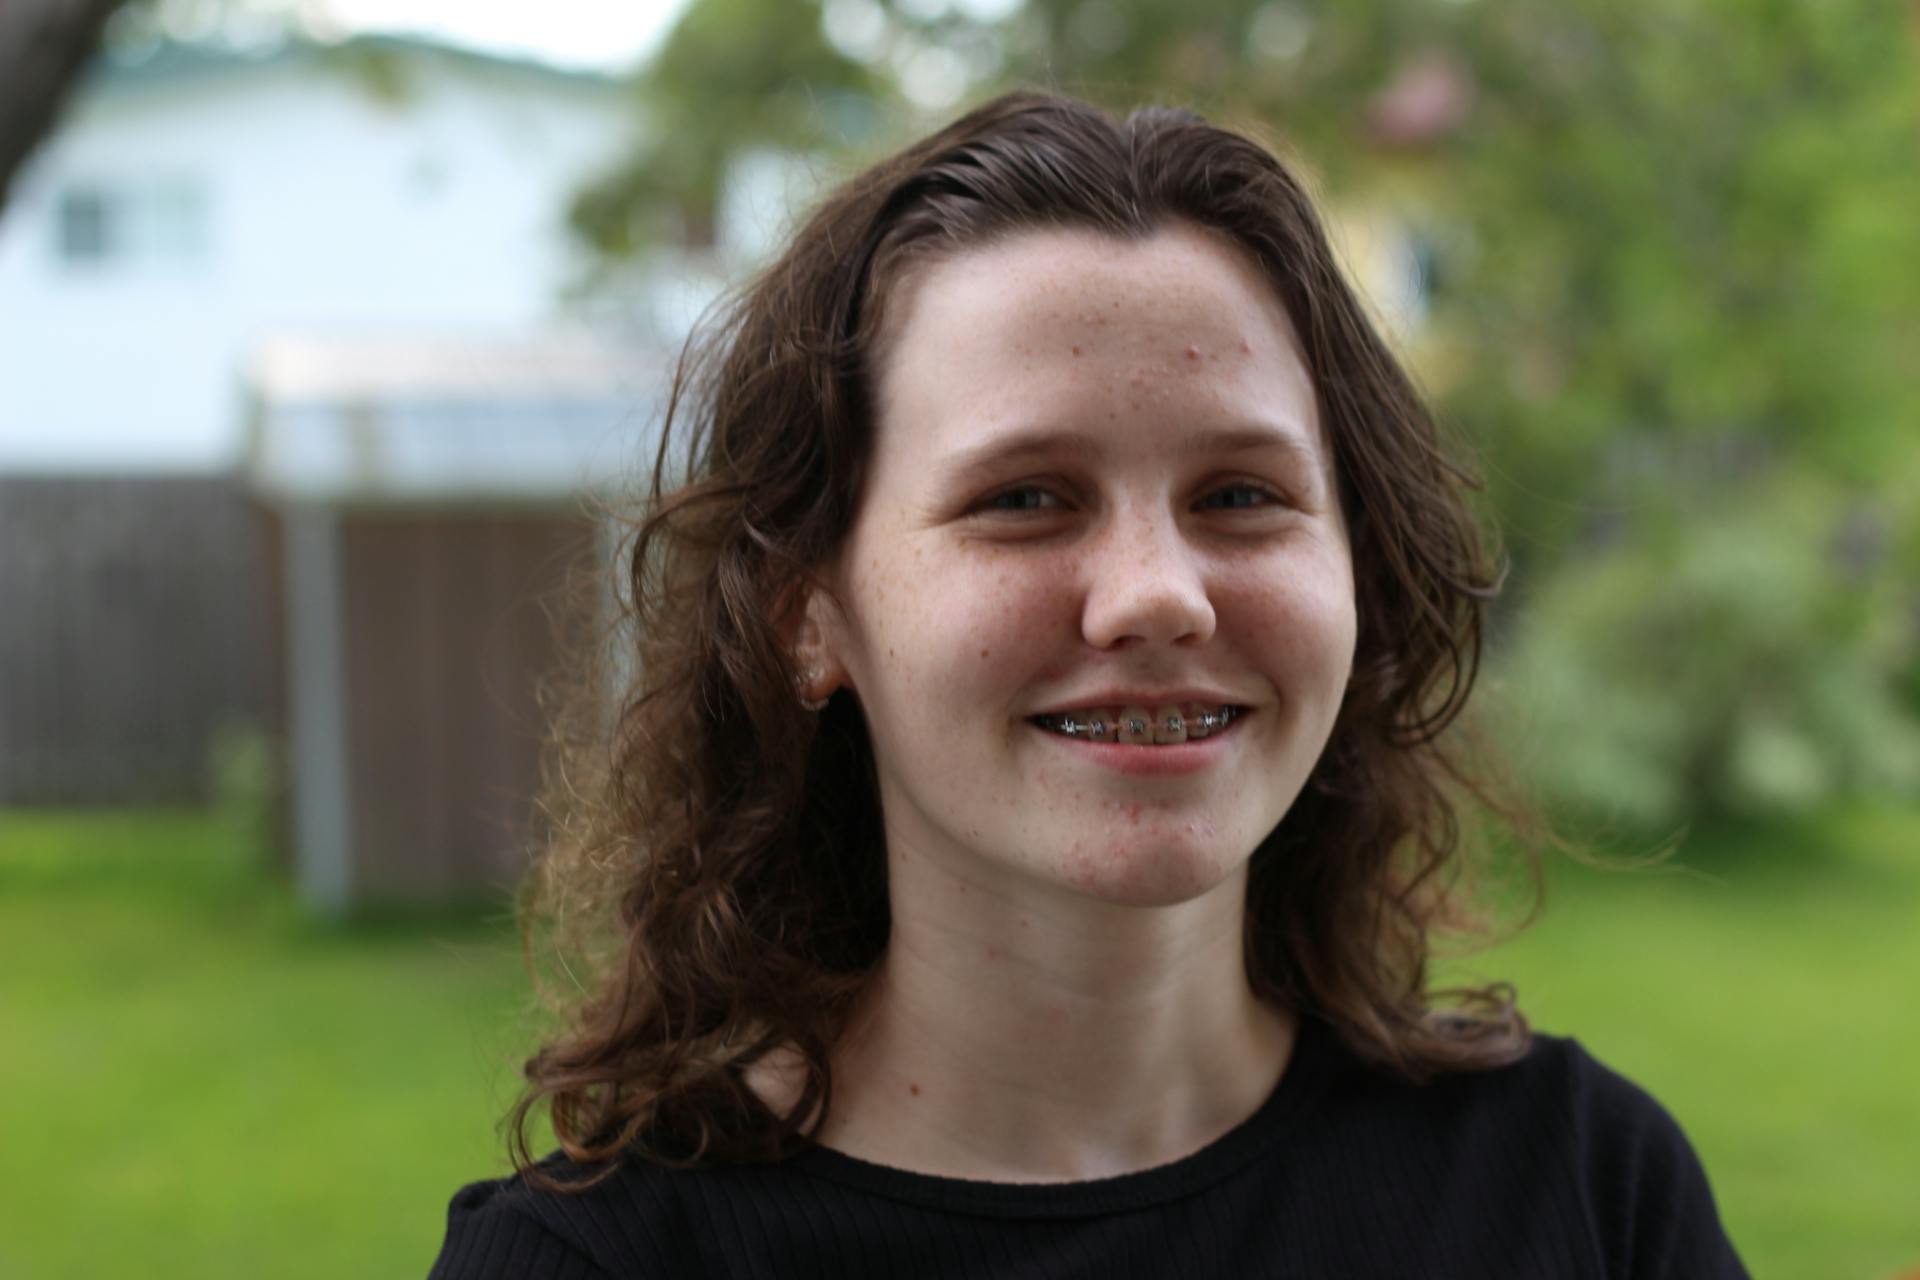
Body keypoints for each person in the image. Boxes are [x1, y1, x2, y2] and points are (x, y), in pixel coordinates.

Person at [428, 90, 1748, 1278]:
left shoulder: (1579, 1190)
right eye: (1025, 499)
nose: (1158, 592)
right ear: (808, 615)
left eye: (1242, 494)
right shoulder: (598, 1264)